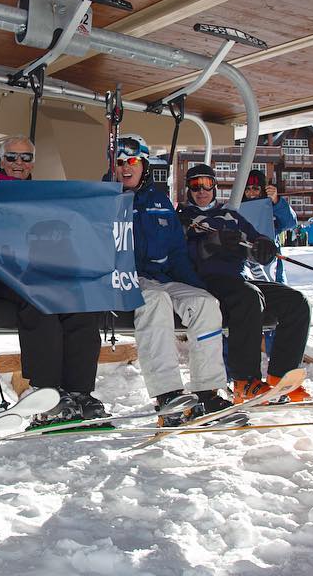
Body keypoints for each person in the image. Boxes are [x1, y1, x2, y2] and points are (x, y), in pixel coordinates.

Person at [0, 136, 106, 424]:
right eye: (12, 157)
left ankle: (79, 392)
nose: (19, 163)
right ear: (1, 161)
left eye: (25, 157)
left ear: (33, 162)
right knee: (38, 299)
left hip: (41, 272)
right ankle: (47, 393)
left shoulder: (45, 195)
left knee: (81, 301)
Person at [113, 136, 232, 423]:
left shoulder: (159, 200)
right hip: (127, 277)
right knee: (155, 300)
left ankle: (207, 392)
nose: (125, 168)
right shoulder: (106, 197)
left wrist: (195, 286)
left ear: (143, 164)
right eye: (119, 163)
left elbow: (177, 250)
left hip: (161, 276)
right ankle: (168, 395)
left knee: (205, 303)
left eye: (132, 162)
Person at [177, 164, 311, 403]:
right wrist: (209, 245)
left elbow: (253, 241)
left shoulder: (230, 215)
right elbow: (177, 253)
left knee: (296, 302)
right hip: (206, 283)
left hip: (239, 278)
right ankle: (244, 381)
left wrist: (262, 247)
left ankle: (280, 377)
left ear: (215, 186)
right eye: (195, 185)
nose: (201, 190)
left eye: (206, 184)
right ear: (188, 189)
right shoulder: (183, 219)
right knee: (248, 296)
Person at [239, 169, 297, 282]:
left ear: (263, 190)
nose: (251, 193)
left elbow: (290, 222)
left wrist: (276, 201)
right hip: (245, 260)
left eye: (255, 189)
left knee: (274, 292)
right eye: (247, 189)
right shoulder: (239, 208)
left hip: (269, 260)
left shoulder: (271, 207)